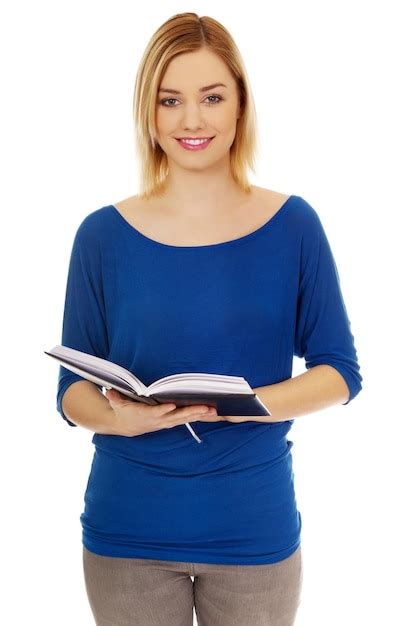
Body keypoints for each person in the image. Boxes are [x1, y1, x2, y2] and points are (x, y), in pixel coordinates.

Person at [55, 12, 363, 626]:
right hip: (127, 534)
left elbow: (340, 373)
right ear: (150, 112)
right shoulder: (101, 235)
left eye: (211, 97)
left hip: (253, 530)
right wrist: (122, 417)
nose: (192, 121)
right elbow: (71, 395)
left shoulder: (293, 225)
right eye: (171, 101)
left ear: (241, 105)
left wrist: (243, 404)